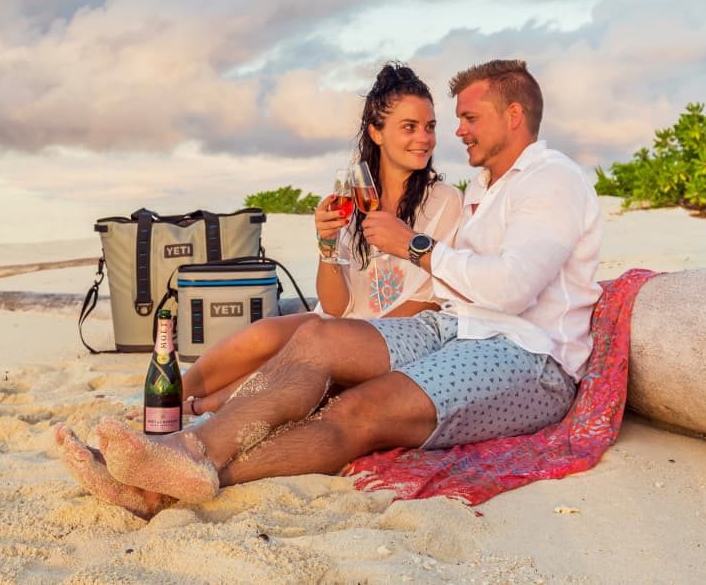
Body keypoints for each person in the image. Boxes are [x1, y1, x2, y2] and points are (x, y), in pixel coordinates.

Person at [56, 58, 602, 515]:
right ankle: (184, 448)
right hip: (458, 328)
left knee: (354, 412)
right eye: (450, 119)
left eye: (466, 117)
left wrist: (414, 246)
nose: (454, 131)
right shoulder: (488, 187)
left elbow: (510, 288)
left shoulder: (551, 180)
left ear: (513, 116)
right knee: (316, 340)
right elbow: (381, 300)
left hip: (528, 356)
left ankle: (154, 489)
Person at [179, 63, 462, 415]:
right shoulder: (355, 198)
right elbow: (334, 306)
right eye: (410, 127)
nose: (424, 138)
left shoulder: (445, 200)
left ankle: (205, 408)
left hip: (397, 332)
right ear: (376, 132)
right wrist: (327, 246)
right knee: (264, 334)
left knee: (293, 360)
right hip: (344, 321)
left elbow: (430, 300)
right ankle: (170, 395)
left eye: (430, 127)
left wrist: (357, 334)